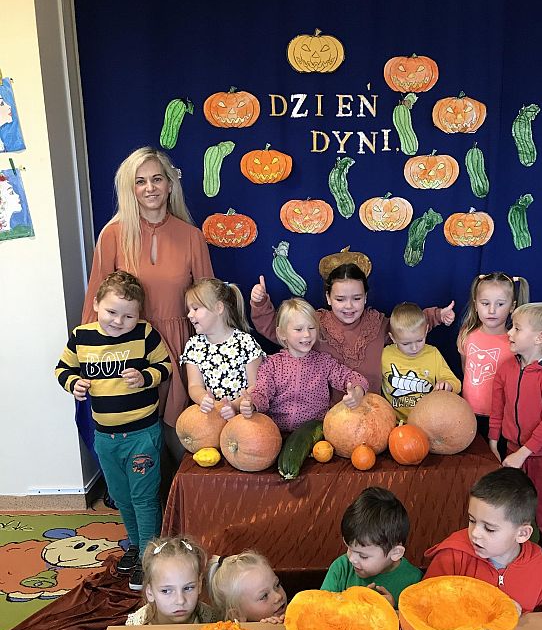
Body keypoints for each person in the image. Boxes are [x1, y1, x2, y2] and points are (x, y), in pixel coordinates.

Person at [81, 146, 214, 457]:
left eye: (157, 179)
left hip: (180, 345)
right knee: (136, 438)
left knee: (181, 436)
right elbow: (96, 297)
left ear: (170, 184)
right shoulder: (112, 235)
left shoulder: (192, 236)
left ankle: (179, 489)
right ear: (131, 189)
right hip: (126, 345)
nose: (150, 188)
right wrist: (86, 356)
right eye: (140, 181)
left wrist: (216, 351)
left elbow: (208, 300)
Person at [55, 272, 170, 583]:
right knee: (121, 496)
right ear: (95, 304)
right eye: (111, 312)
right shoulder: (81, 337)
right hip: (105, 438)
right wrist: (73, 384)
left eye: (128, 316)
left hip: (142, 435)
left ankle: (149, 555)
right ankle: (135, 544)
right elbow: (62, 368)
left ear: (139, 314)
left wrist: (145, 377)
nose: (119, 321)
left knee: (144, 497)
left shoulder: (145, 333)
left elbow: (165, 366)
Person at [250, 252, 456, 400]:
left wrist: (437, 315)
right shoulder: (315, 324)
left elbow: (407, 326)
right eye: (340, 299)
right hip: (327, 416)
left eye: (356, 298)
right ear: (328, 298)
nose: (348, 306)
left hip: (373, 410)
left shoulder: (376, 324)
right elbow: (279, 330)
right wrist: (260, 303)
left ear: (365, 297)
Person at [488, 302, 542, 565]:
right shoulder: (506, 368)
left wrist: (523, 454)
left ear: (539, 337)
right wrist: (493, 441)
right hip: (512, 452)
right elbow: (497, 407)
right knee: (513, 513)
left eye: (517, 328)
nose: (509, 333)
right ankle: (515, 562)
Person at [424, 468, 542, 613]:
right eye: (472, 520)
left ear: (522, 534)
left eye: (489, 529)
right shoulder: (450, 556)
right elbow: (425, 603)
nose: (475, 533)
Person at [241, 298, 369, 431]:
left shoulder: (324, 362)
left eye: (311, 328)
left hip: (316, 433)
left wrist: (357, 392)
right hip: (276, 433)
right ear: (282, 333)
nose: (307, 334)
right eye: (299, 329)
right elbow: (262, 393)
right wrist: (252, 404)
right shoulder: (271, 365)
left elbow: (352, 377)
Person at [456, 272, 530, 439]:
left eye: (500, 304)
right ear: (476, 304)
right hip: (468, 414)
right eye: (485, 303)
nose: (491, 310)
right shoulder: (467, 335)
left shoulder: (514, 343)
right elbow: (465, 369)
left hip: (502, 417)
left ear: (512, 306)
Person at [321, 487, 422, 608]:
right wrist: (353, 605)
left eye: (363, 556)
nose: (352, 559)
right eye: (349, 549)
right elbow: (321, 610)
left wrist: (392, 610)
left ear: (395, 553)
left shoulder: (414, 581)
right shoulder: (341, 568)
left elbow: (414, 618)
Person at [181, 278, 264, 419]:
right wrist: (203, 398)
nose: (189, 315)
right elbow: (194, 385)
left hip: (242, 417)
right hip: (211, 417)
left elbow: (255, 386)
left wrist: (234, 406)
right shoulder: (193, 346)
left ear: (218, 308)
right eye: (189, 310)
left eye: (195, 309)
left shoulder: (246, 343)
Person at [381, 302, 461, 421]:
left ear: (426, 330)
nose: (414, 348)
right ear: (393, 338)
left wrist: (448, 385)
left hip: (427, 422)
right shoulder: (384, 354)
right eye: (406, 344)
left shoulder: (433, 354)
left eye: (420, 340)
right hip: (393, 422)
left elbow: (456, 384)